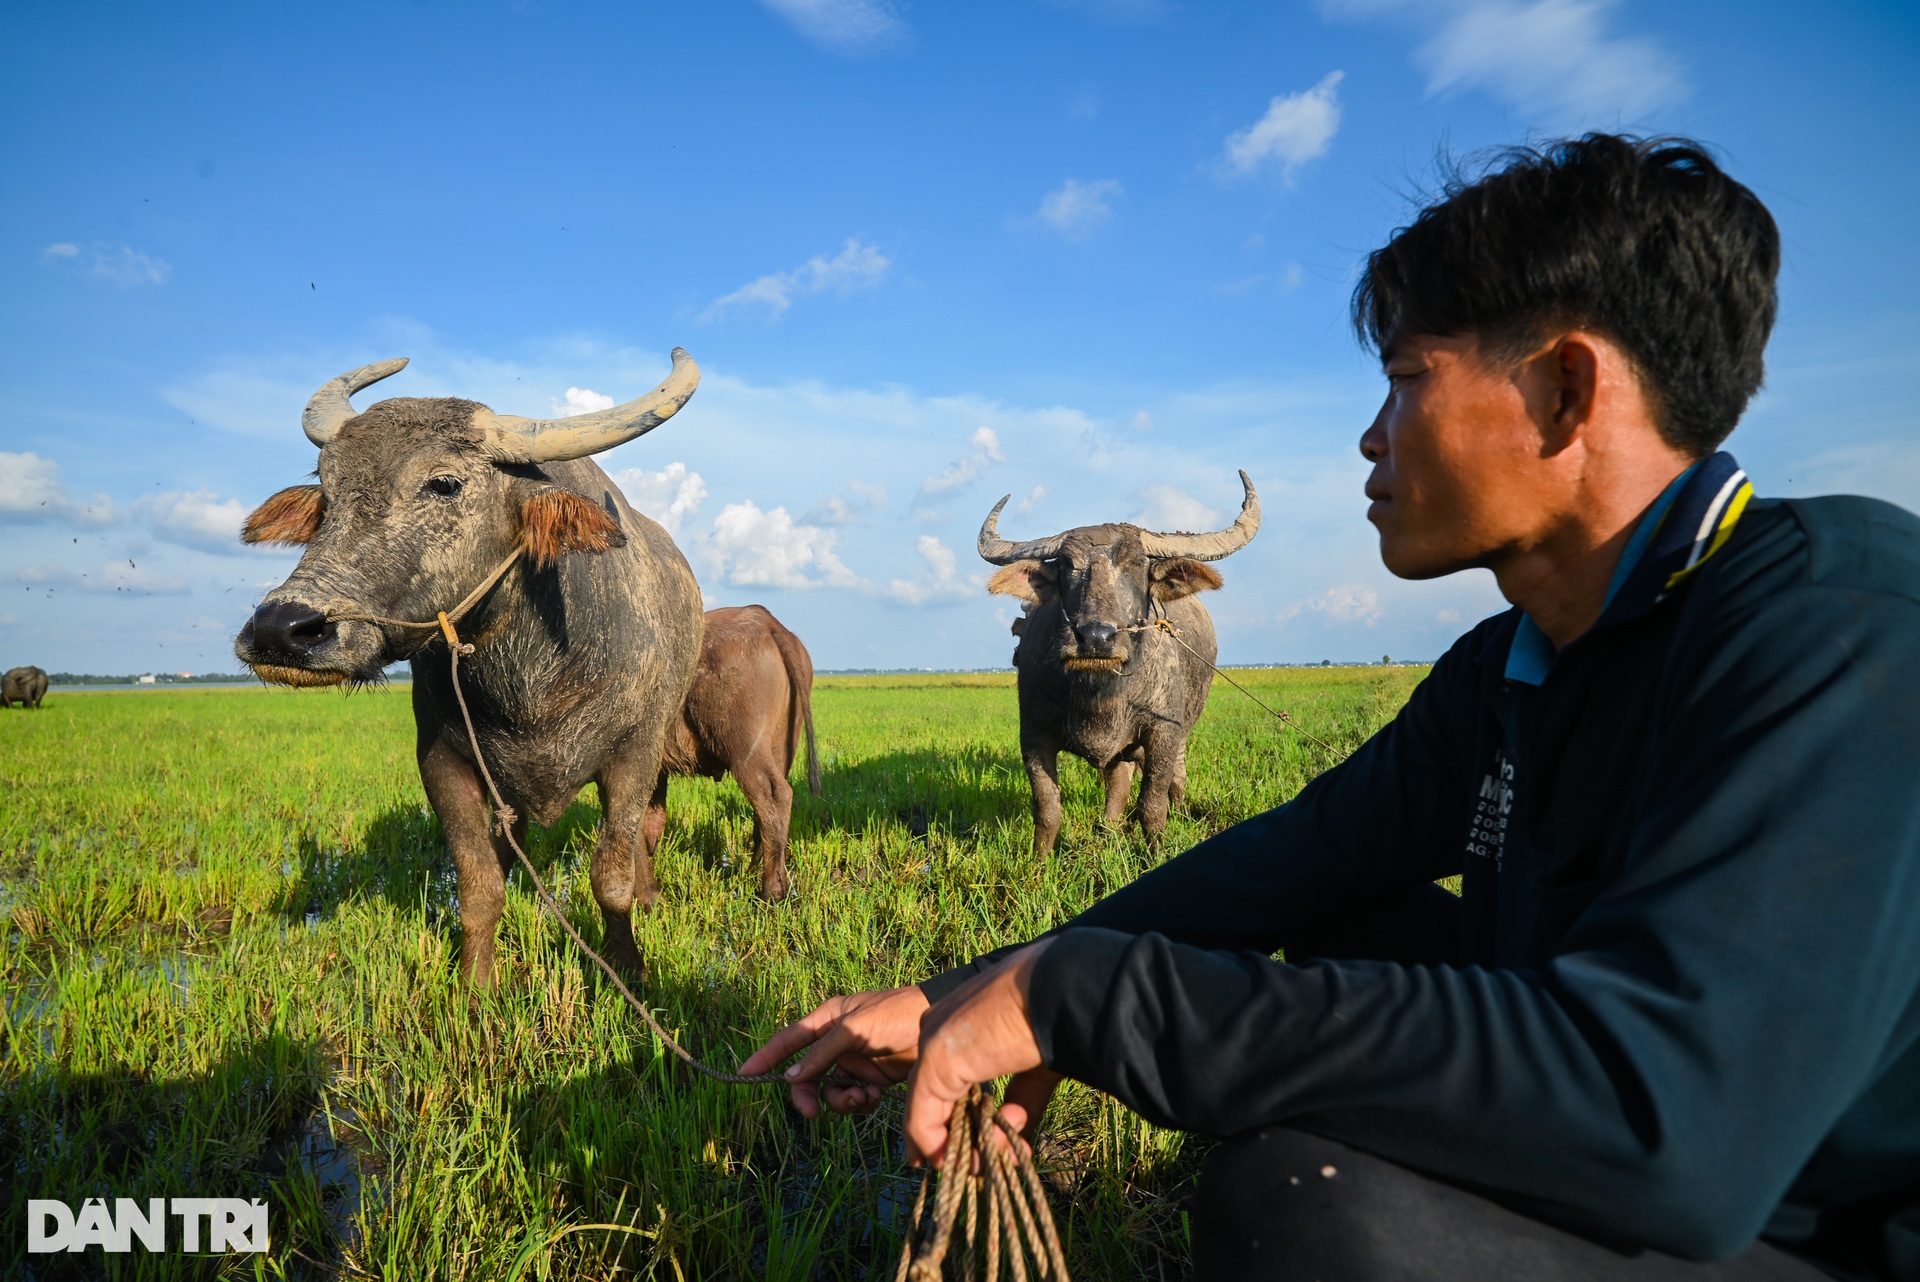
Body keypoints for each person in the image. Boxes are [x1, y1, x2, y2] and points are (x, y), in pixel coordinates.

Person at [741, 135, 1920, 1282]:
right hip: (1664, 1145)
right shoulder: (1516, 661)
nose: (1369, 434)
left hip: (1818, 1225)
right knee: (1344, 914)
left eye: (1407, 379)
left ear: (1566, 389)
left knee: (1300, 1206)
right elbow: (1296, 859)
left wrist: (1091, 999)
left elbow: (1673, 1121)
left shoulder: (1841, 630)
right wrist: (988, 985)